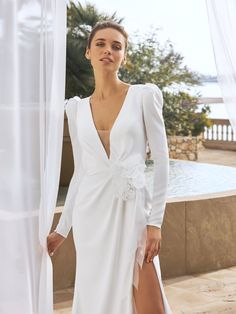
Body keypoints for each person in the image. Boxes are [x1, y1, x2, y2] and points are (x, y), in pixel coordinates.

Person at [47, 20, 172, 314]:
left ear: (124, 56)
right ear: (88, 52)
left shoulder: (143, 96)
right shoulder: (75, 109)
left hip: (133, 213)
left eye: (116, 46)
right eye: (100, 44)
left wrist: (155, 223)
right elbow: (81, 172)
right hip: (92, 216)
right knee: (98, 299)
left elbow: (162, 160)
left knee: (148, 300)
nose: (108, 50)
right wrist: (62, 229)